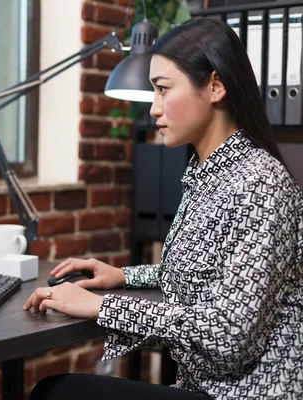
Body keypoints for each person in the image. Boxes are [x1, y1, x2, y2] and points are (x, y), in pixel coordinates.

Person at [24, 17, 303, 400]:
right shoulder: (207, 173)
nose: (154, 108)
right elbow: (208, 273)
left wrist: (103, 307)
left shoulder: (260, 184)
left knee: (57, 393)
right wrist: (124, 275)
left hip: (242, 394)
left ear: (216, 86)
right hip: (203, 386)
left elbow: (230, 333)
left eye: (162, 90)